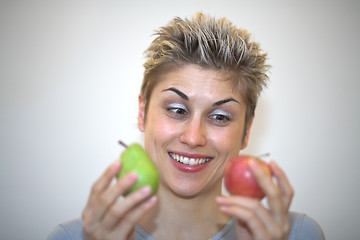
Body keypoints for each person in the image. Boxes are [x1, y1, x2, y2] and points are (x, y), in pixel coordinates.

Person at [48, 12, 325, 240]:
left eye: (220, 117)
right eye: (177, 110)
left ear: (246, 131)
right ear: (142, 113)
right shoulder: (74, 237)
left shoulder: (296, 234)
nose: (194, 138)